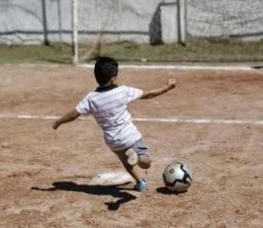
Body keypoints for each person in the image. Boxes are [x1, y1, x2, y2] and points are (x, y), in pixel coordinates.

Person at [52, 56, 176, 192]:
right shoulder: (122, 91)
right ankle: (139, 159)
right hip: (130, 136)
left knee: (126, 162)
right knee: (146, 162)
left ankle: (141, 182)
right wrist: (167, 88)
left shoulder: (91, 98)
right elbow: (147, 95)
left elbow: (74, 114)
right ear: (113, 78)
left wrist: (59, 122)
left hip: (113, 141)